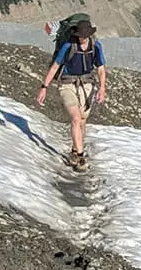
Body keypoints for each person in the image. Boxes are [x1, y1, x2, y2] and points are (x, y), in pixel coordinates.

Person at [35, 16, 108, 170]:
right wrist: (44, 87)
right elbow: (55, 66)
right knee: (75, 118)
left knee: (82, 120)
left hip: (86, 84)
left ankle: (74, 152)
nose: (82, 38)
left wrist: (102, 88)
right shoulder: (68, 46)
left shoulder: (96, 46)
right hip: (67, 84)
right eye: (80, 35)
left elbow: (101, 69)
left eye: (84, 35)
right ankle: (81, 158)